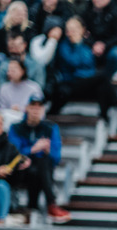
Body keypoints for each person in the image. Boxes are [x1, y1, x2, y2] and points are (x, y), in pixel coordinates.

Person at [7, 93, 71, 222]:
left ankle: (33, 207)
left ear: (43, 110)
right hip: (20, 170)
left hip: (41, 170)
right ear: (26, 108)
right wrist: (33, 149)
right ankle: (51, 204)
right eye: (33, 106)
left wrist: (48, 151)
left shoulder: (51, 128)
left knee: (42, 163)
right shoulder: (16, 127)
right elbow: (13, 154)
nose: (35, 110)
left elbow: (56, 158)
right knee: (37, 166)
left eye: (39, 107)